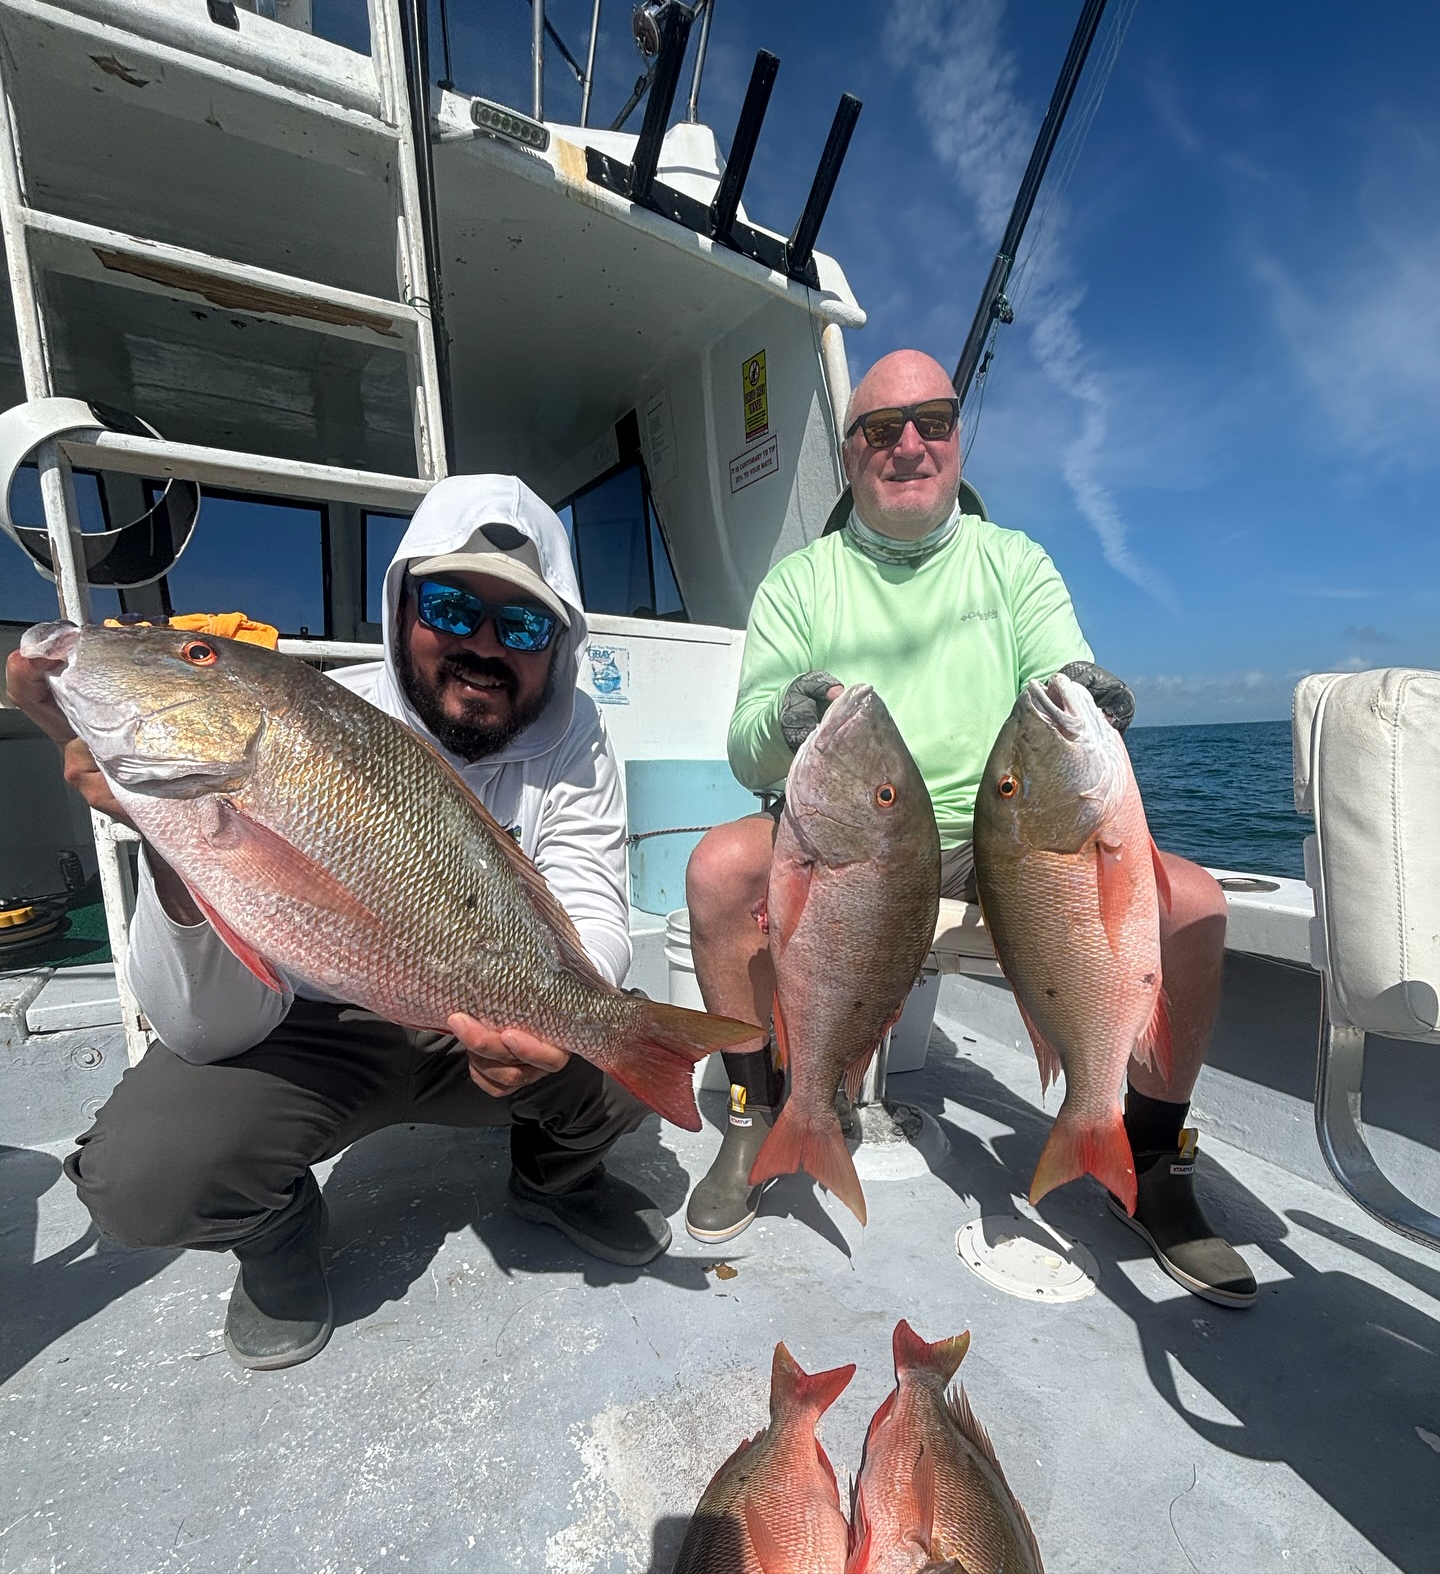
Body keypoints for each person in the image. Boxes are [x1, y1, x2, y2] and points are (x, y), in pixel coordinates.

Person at [6, 474, 673, 1371]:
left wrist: (547, 1023)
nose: (483, 644)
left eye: (521, 626)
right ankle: (278, 1231)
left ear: (557, 646)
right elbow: (206, 1027)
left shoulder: (577, 736)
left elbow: (589, 898)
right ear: (402, 606)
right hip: (310, 1027)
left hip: (475, 1012)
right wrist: (168, 836)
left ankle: (554, 1178)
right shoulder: (314, 712)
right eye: (450, 604)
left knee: (625, 1050)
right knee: (141, 1178)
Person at [682, 349, 1256, 1309]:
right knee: (715, 870)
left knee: (1193, 905)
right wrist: (785, 719)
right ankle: (762, 1110)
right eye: (880, 429)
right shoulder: (800, 583)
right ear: (851, 452)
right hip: (859, 844)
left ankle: (1146, 1156)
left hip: (1010, 847)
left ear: (956, 438)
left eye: (934, 421)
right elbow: (747, 749)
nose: (909, 443)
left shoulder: (1016, 561)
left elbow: (1060, 676)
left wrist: (1093, 693)